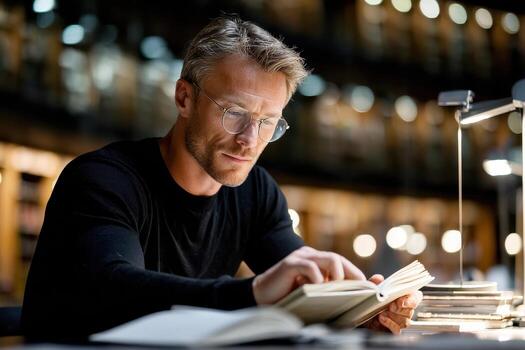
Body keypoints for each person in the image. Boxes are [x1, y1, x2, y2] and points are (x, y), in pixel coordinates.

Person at [22, 16, 421, 338]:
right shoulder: (102, 180)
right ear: (184, 98)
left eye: (268, 123)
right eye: (234, 112)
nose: (250, 140)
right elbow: (113, 290)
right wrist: (252, 293)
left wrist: (356, 310)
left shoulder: (256, 191)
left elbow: (301, 284)